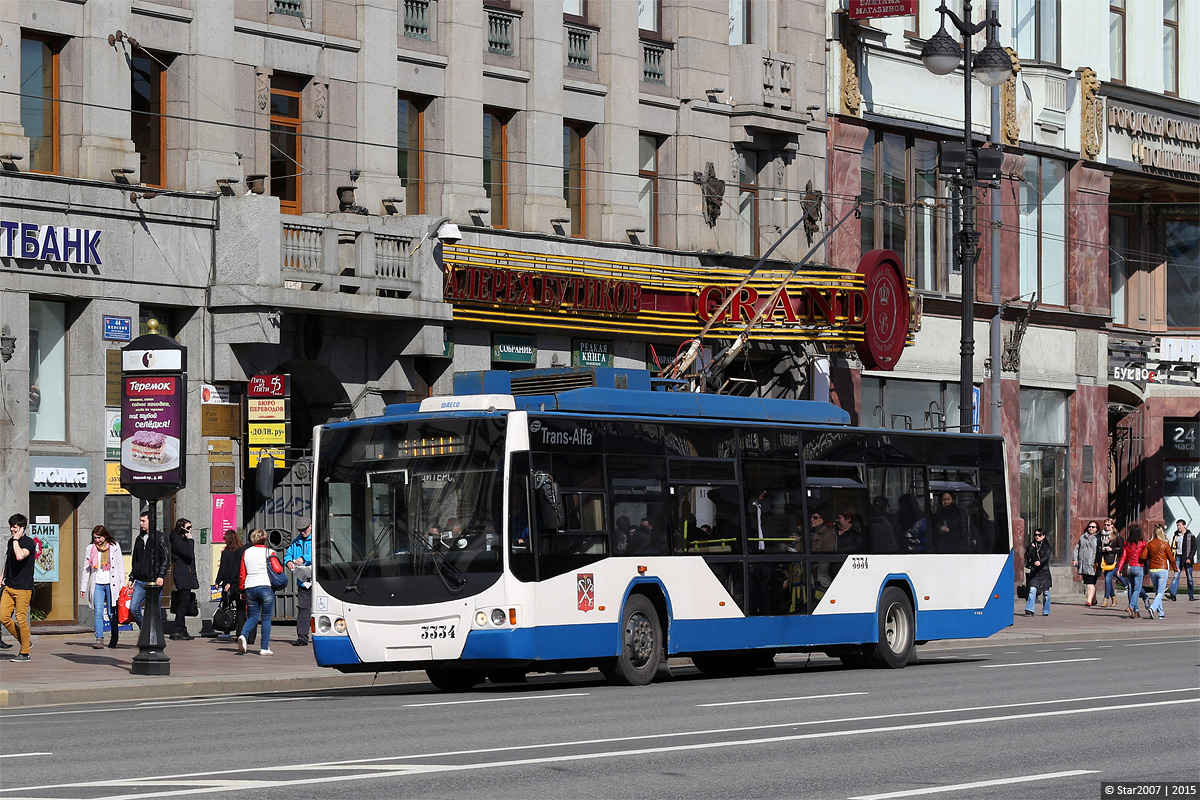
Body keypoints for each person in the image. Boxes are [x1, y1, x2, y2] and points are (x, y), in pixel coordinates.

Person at [79, 526, 125, 649]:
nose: (97, 540)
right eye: (95, 538)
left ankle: (114, 636)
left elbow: (120, 566)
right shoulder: (90, 548)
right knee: (98, 611)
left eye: (99, 537)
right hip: (97, 584)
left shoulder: (114, 547)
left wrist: (122, 585)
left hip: (111, 584)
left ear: (105, 536)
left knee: (111, 613)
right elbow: (86, 569)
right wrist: (83, 587)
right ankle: (99, 638)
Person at [1, 513, 35, 662]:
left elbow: (20, 556)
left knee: (21, 619)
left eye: (15, 527)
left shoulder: (29, 543)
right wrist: (1, 577)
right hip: (9, 586)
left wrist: (16, 539)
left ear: (22, 528)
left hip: (23, 588)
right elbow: (8, 561)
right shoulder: (11, 542)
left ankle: (25, 653)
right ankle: (25, 640)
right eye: (11, 527)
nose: (12, 530)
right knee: (3, 616)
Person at [128, 511, 169, 628]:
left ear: (151, 521)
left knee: (155, 610)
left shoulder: (160, 537)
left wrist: (161, 575)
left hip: (154, 580)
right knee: (134, 608)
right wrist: (132, 577)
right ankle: (146, 630)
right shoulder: (140, 538)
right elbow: (135, 560)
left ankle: (156, 633)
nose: (140, 523)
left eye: (143, 521)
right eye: (140, 521)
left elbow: (165, 558)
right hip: (140, 580)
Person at [238, 529, 275, 655]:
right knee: (266, 618)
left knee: (253, 616)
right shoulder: (269, 552)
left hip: (250, 587)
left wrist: (242, 589)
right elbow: (278, 569)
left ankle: (243, 635)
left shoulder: (246, 552)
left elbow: (242, 573)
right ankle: (264, 647)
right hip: (265, 586)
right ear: (265, 539)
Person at [168, 519, 198, 640]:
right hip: (183, 574)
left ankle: (182, 628)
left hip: (185, 573)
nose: (190, 529)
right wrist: (190, 540)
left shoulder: (180, 540)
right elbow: (189, 554)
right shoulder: (178, 541)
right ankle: (179, 629)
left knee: (184, 602)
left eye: (191, 527)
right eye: (188, 527)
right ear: (182, 528)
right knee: (183, 603)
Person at [284, 520, 313, 646]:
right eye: (300, 530)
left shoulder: (316, 539)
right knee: (303, 608)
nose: (302, 532)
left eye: (304, 529)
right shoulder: (296, 542)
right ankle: (302, 637)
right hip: (303, 581)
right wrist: (288, 562)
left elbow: (319, 553)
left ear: (310, 526)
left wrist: (304, 558)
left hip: (317, 580)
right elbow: (288, 555)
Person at [214, 529, 245, 640]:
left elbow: (223, 568)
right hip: (239, 582)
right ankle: (240, 631)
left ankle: (226, 629)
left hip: (228, 582)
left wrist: (218, 581)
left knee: (226, 606)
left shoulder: (226, 552)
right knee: (240, 608)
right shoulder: (241, 551)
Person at [1116, 523, 1149, 619]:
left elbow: (1123, 557)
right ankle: (1131, 606)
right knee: (1137, 589)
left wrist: (1119, 569)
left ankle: (1136, 610)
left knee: (1131, 589)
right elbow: (1145, 556)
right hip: (1138, 567)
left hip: (1129, 567)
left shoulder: (1127, 543)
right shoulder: (1143, 543)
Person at [1143, 524, 1175, 620]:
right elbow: (1171, 558)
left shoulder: (1149, 543)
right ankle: (1152, 608)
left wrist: (1151, 556)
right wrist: (1176, 568)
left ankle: (1161, 613)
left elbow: (1143, 556)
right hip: (1162, 569)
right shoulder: (1165, 543)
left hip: (1152, 569)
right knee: (1160, 592)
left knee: (1158, 592)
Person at [1023, 528, 1052, 616]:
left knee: (1046, 592)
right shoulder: (1032, 545)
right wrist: (1031, 548)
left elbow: (1047, 556)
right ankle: (1029, 609)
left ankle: (1046, 610)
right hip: (1034, 571)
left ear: (1043, 536)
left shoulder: (1046, 546)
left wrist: (1040, 561)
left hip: (1044, 572)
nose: (1037, 537)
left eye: (1039, 535)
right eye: (1035, 535)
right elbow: (1027, 556)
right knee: (1032, 590)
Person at [1072, 520, 1100, 607]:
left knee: (1090, 582)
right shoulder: (1083, 537)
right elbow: (1077, 549)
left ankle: (1089, 600)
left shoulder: (1098, 538)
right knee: (1089, 582)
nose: (1091, 528)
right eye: (1089, 527)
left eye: (1093, 527)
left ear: (1097, 529)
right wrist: (1075, 559)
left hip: (1094, 563)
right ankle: (1094, 599)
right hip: (1083, 563)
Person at [1167, 518, 1195, 602]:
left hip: (1187, 558)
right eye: (1177, 525)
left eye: (1180, 525)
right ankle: (1173, 594)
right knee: (1176, 576)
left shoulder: (1190, 535)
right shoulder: (1176, 535)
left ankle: (1191, 595)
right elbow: (1173, 546)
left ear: (1184, 525)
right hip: (1178, 557)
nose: (1178, 527)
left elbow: (1194, 548)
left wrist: (1189, 558)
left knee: (1189, 578)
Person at [1097, 518, 1123, 608]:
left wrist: (1112, 549)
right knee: (1108, 581)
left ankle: (1105, 599)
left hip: (1113, 560)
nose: (1106, 527)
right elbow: (1098, 547)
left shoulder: (1116, 535)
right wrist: (1102, 549)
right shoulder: (1101, 535)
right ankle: (1114, 597)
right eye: (1105, 525)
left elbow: (1121, 548)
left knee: (1108, 579)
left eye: (1108, 525)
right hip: (1105, 560)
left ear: (1112, 525)